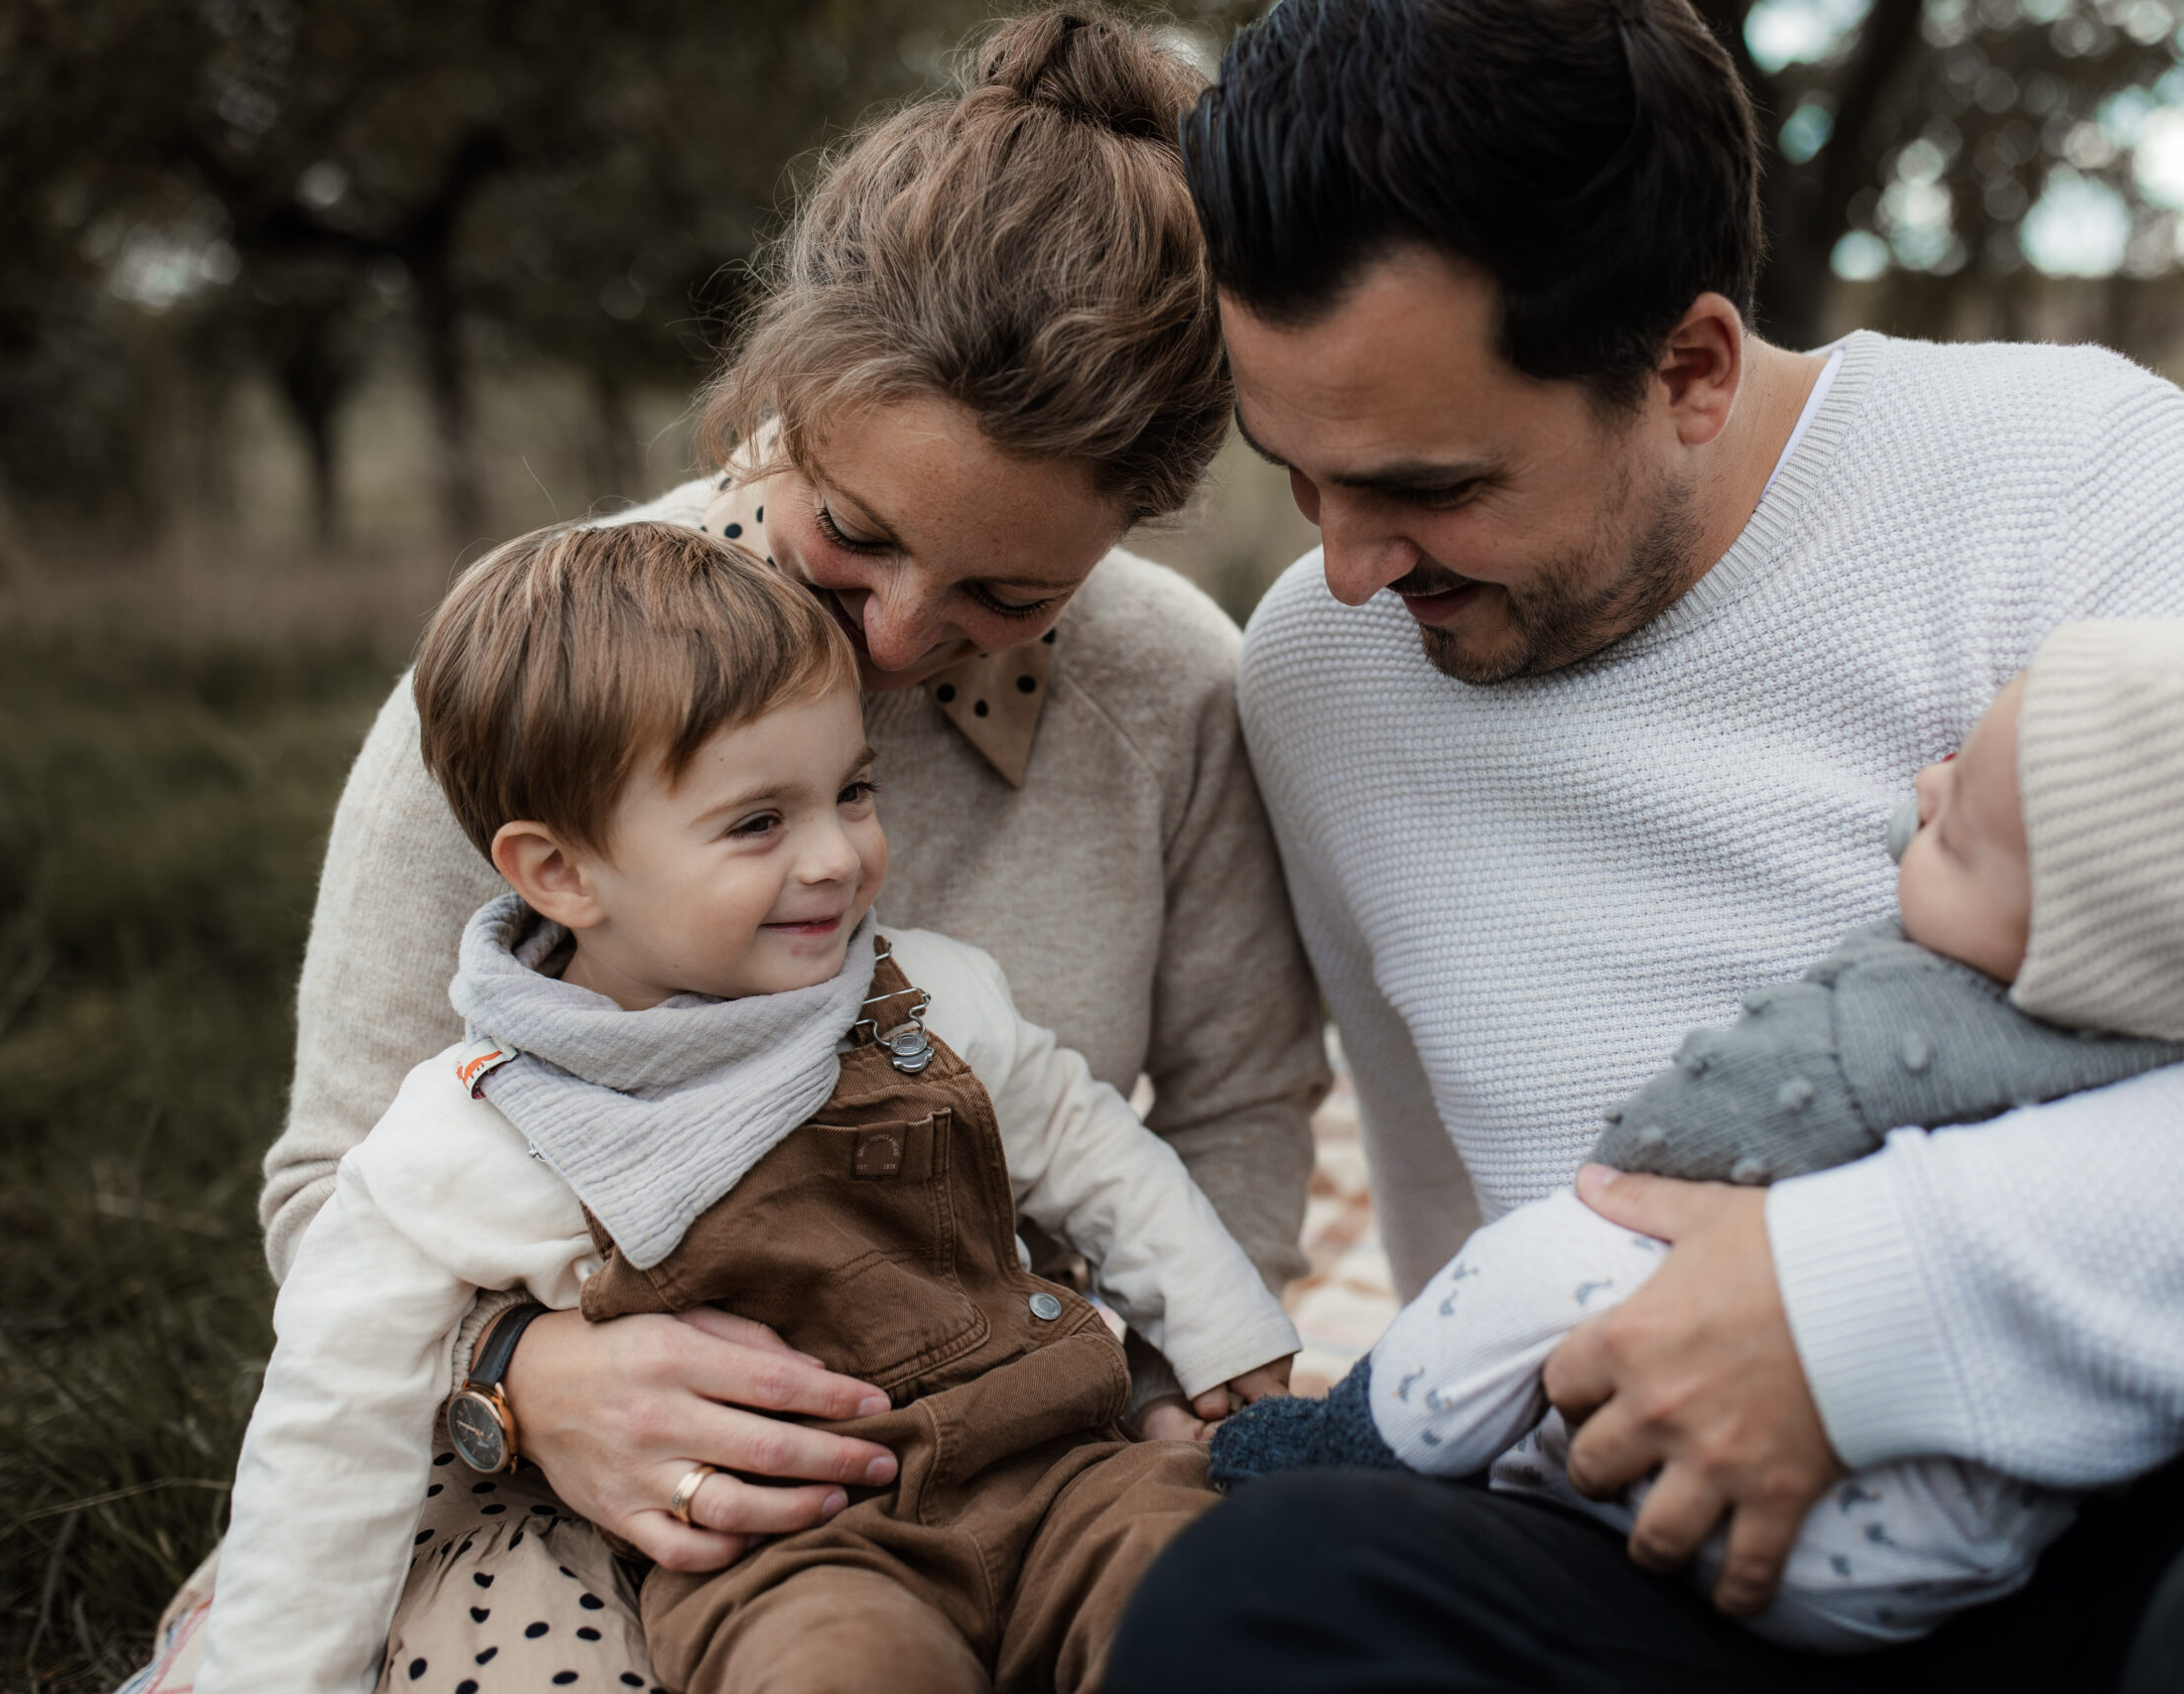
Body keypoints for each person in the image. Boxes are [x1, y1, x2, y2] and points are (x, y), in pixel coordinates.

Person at [1111, 0, 2184, 1687]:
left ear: (1693, 368)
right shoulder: (1314, 671)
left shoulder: (2060, 468)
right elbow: (1451, 1222)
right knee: (1265, 1597)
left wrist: (1858, 1304)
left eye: (1425, 483)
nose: (1349, 565)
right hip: (1705, 1561)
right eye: (1299, 474)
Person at [133, 11, 1324, 1693]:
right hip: (584, 1485)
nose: (906, 637)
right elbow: (338, 1193)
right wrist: (523, 1379)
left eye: (1008, 594)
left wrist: (1173, 1393)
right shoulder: (533, 687)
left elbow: (1241, 1109)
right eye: (857, 533)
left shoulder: (1174, 689)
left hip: (1030, 1421)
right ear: (774, 396)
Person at [1208, 619, 2184, 1653]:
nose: (1920, 787)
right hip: (1966, 1534)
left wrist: (1701, 1211)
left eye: (1958, 826)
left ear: (2064, 952)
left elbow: (1699, 1122)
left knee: (1562, 1249)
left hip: (1782, 1521)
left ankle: (1361, 1440)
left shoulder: (1907, 1024)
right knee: (1264, 1599)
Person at [196, 524, 1297, 1694]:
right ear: (561, 874)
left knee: (1219, 1594)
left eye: (853, 791)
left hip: (1065, 1467)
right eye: (759, 823)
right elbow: (333, 1425)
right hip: (792, 1550)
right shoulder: (481, 1132)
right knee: (840, 1673)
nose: (836, 858)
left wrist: (1221, 1334)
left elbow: (1091, 1148)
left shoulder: (925, 997)